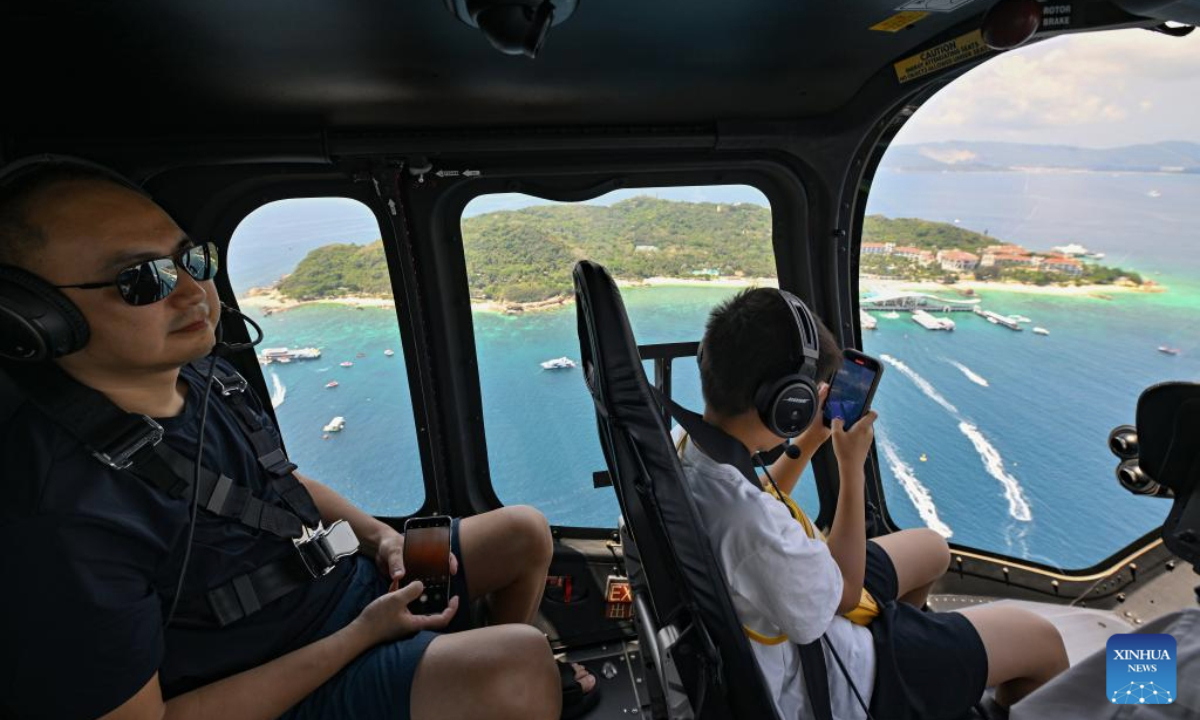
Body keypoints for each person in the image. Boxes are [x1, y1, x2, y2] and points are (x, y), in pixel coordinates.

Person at [0, 159, 597, 720]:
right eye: (141, 280)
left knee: (523, 531)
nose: (190, 292)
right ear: (39, 318)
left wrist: (381, 538)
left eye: (192, 259)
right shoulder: (58, 510)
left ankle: (456, 679)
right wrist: (362, 635)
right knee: (518, 666)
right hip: (275, 679)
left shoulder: (207, 375)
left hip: (341, 593)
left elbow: (280, 482)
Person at [674, 287, 1069, 720]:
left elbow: (768, 498)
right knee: (1041, 640)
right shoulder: (748, 523)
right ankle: (903, 673)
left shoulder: (694, 450)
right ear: (787, 404)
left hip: (794, 595)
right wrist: (851, 466)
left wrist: (812, 440)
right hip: (834, 676)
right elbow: (844, 594)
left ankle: (922, 677)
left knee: (931, 548)